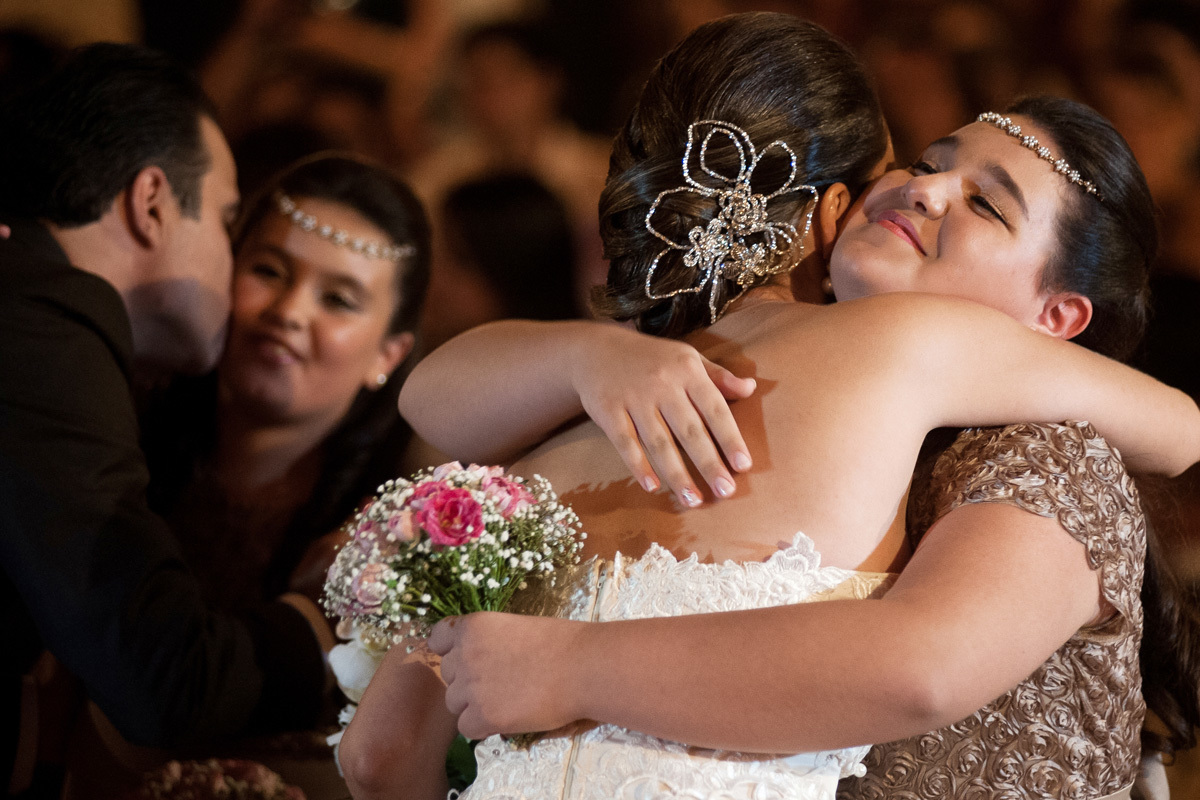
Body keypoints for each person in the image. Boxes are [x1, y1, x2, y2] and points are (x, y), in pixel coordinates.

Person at [340, 13, 1199, 800]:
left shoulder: (1031, 441)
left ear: (1059, 319)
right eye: (925, 164)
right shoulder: (622, 390)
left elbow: (380, 757)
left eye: (986, 203)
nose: (925, 190)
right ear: (837, 210)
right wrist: (588, 355)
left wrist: (569, 666)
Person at [0, 43, 329, 796]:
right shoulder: (42, 328)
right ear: (151, 203)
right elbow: (166, 679)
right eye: (227, 221)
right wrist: (324, 626)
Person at [142, 152, 431, 613]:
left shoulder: (388, 534)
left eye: (337, 300)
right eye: (269, 271)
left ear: (387, 355)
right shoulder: (123, 431)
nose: (288, 312)